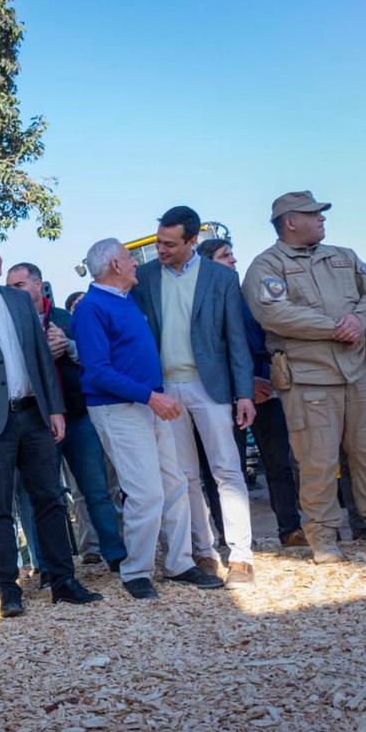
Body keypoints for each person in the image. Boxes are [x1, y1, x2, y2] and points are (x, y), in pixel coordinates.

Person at [0, 233, 102, 617]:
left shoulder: (19, 300)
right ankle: (9, 590)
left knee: (51, 499)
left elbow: (42, 357)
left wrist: (54, 408)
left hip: (33, 414)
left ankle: (63, 581)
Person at [243, 191, 366, 562]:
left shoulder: (344, 256)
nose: (322, 219)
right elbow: (275, 314)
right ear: (290, 221)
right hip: (308, 377)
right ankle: (323, 535)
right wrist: (334, 327)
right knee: (317, 460)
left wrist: (359, 320)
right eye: (314, 213)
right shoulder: (266, 266)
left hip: (359, 371)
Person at [72, 237, 224, 599]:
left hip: (151, 403)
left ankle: (179, 563)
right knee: (145, 492)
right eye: (129, 257)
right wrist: (150, 396)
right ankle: (136, 570)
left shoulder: (127, 302)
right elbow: (96, 371)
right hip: (120, 409)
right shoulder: (91, 308)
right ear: (114, 266)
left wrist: (154, 397)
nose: (135, 262)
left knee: (175, 484)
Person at [131, 206, 257, 588]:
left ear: (191, 241)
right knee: (183, 476)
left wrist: (244, 394)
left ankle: (241, 556)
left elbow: (235, 338)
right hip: (164, 389)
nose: (161, 250)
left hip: (211, 385)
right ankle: (202, 551)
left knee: (227, 469)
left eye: (169, 244)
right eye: (158, 242)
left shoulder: (220, 277)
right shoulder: (146, 276)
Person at [6, 263, 127, 572]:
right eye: (10, 286)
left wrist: (69, 347)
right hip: (37, 421)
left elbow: (97, 359)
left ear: (38, 285)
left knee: (96, 489)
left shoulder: (67, 319)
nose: (13, 291)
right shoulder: (9, 325)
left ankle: (116, 556)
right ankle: (49, 567)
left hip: (77, 416)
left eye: (19, 285)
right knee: (43, 497)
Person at [198, 238, 303, 547]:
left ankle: (291, 529)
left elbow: (260, 340)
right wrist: (243, 385)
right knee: (228, 469)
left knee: (279, 462)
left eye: (232, 253)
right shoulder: (203, 305)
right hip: (225, 396)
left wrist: (264, 378)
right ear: (208, 265)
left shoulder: (248, 296)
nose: (233, 259)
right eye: (224, 256)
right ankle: (234, 539)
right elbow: (211, 353)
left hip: (265, 390)